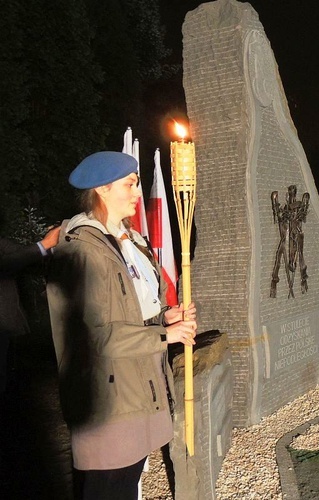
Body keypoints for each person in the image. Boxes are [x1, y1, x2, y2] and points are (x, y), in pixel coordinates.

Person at [46, 151, 198, 499]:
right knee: (105, 489)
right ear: (103, 189)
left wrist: (164, 318)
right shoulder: (83, 250)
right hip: (107, 398)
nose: (136, 193)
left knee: (126, 485)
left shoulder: (131, 243)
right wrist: (165, 334)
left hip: (139, 384)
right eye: (129, 185)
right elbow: (93, 336)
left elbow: (130, 312)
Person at [0, 226, 61, 395]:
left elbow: (25, 256)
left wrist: (53, 243)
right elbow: (7, 264)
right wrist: (45, 244)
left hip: (6, 324)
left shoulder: (2, 243)